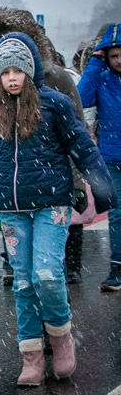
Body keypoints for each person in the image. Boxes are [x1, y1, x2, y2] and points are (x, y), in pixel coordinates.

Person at [0, 33, 114, 385]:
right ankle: (31, 355)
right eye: (6, 73)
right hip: (11, 210)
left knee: (47, 276)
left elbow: (81, 146)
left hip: (52, 204)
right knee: (22, 283)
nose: (13, 78)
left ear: (31, 70)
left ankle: (61, 338)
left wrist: (101, 187)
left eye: (19, 70)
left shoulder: (55, 104)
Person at [0, 8, 90, 287]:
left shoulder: (58, 80)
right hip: (14, 190)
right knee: (24, 275)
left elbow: (75, 137)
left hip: (52, 184)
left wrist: (77, 184)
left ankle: (63, 288)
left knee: (50, 267)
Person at [77, 23, 121, 291]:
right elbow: (81, 98)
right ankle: (117, 267)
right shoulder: (102, 77)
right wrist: (95, 61)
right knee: (116, 214)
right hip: (112, 157)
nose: (118, 61)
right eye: (113, 55)